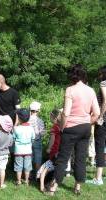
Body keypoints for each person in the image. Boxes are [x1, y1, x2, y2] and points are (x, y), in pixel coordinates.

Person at [49, 64, 100, 195]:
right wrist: (87, 122)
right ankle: (77, 187)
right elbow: (97, 113)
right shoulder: (91, 90)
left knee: (63, 157)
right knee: (81, 158)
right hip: (85, 128)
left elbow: (65, 113)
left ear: (72, 76)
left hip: (71, 128)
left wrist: (61, 127)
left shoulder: (70, 90)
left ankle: (53, 187)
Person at [86, 66, 106, 185]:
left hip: (104, 121)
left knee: (99, 146)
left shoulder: (103, 83)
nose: (99, 76)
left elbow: (105, 101)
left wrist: (101, 117)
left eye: (100, 74)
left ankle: (98, 178)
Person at [37, 109, 62, 192]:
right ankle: (52, 184)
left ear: (52, 116)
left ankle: (42, 186)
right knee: (55, 169)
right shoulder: (62, 126)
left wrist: (49, 148)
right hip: (61, 151)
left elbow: (52, 139)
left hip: (54, 152)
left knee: (46, 168)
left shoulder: (55, 127)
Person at [13, 108, 35, 185]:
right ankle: (26, 180)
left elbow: (13, 138)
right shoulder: (31, 128)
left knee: (18, 166)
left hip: (18, 151)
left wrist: (15, 123)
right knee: (27, 166)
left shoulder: (16, 128)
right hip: (28, 150)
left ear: (19, 118)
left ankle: (18, 181)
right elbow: (33, 139)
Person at [29, 101, 45, 172]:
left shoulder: (27, 119)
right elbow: (42, 133)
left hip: (28, 141)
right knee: (38, 157)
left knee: (29, 157)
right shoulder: (40, 121)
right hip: (37, 141)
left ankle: (28, 175)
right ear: (38, 110)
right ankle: (37, 174)